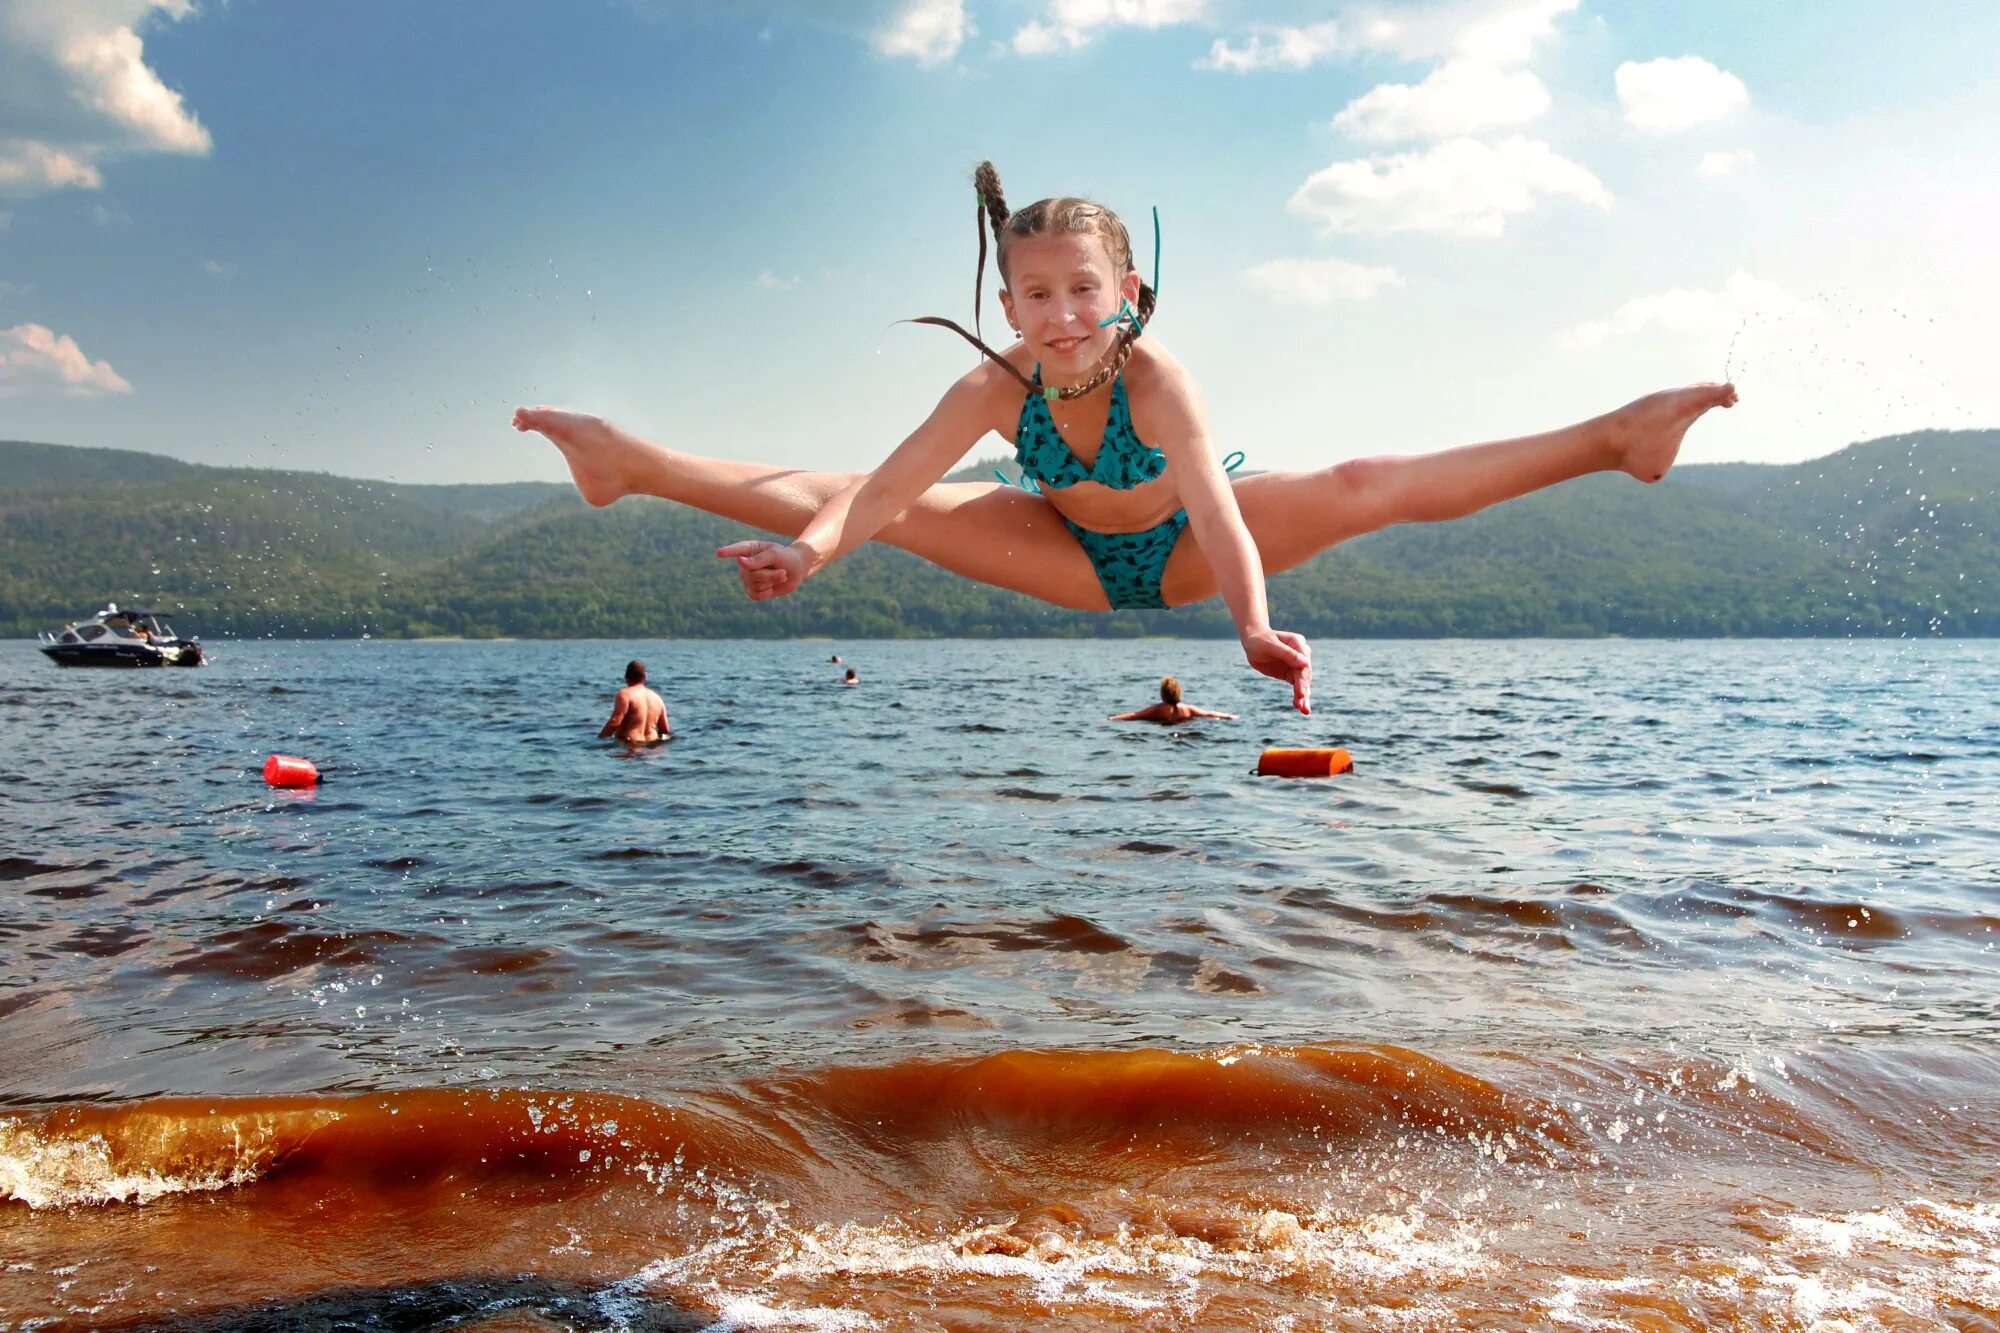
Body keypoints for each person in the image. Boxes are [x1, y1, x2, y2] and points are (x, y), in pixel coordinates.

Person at [515, 161, 1736, 717]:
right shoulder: (995, 386)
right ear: (1008, 307)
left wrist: (1250, 627)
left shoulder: (1158, 381)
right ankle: (630, 464)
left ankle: (1612, 437)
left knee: (1370, 481)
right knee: (839, 489)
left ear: (1127, 293)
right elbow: (882, 489)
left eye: (1081, 289)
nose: (1059, 314)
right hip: (1060, 553)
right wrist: (819, 553)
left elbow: (1214, 507)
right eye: (1035, 294)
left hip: (1196, 552)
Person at [1109, 675, 1235, 724]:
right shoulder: (1188, 709)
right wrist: (1228, 716)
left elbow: (1133, 716)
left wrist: (1112, 718)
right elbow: (1209, 713)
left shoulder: (1156, 710)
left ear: (1163, 694)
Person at [600, 659, 669, 742]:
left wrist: (599, 740)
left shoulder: (625, 694)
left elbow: (615, 721)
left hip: (631, 747)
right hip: (652, 750)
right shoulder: (657, 698)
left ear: (626, 677)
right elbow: (665, 730)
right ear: (644, 677)